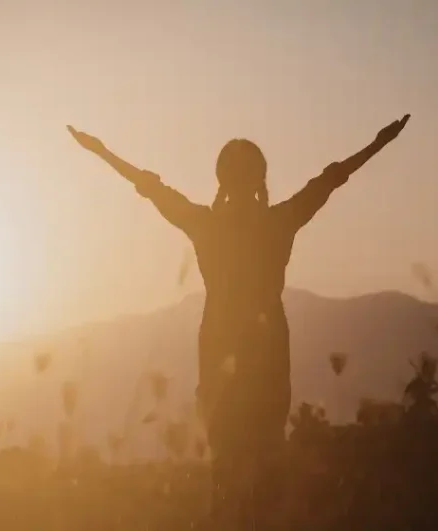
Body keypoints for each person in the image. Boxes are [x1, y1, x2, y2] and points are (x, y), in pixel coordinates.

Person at [67, 114, 410, 528]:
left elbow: (148, 186)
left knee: (224, 463)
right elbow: (330, 180)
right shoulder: (279, 221)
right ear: (260, 178)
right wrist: (379, 142)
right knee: (267, 458)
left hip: (218, 347)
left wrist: (100, 150)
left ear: (220, 180)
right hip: (267, 348)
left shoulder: (204, 223)